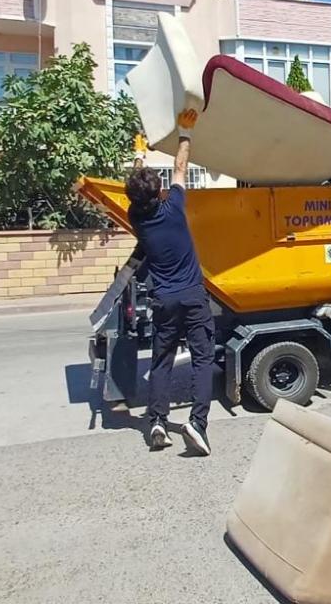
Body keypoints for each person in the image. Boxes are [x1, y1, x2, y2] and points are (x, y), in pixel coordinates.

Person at [124, 109, 213, 455]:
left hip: (163, 300)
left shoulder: (137, 218)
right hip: (192, 296)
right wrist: (186, 131)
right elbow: (180, 167)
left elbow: (139, 186)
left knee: (161, 360)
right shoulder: (174, 207)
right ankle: (197, 424)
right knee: (203, 358)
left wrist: (138, 154)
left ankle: (158, 421)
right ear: (161, 191)